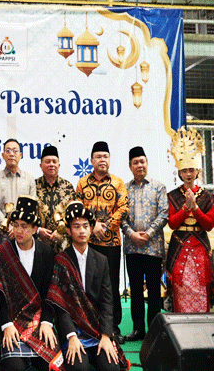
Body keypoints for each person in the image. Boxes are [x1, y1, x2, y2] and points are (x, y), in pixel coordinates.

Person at [47, 201, 119, 371]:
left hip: (96, 329)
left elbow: (107, 301)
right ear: (69, 230)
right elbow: (61, 305)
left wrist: (106, 335)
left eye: (85, 226)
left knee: (111, 367)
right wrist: (71, 336)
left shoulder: (101, 260)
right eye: (76, 226)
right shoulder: (60, 260)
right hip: (72, 330)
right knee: (79, 368)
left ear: (91, 229)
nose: (82, 231)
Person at [0, 195, 60, 371]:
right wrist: (6, 325)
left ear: (35, 228)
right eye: (15, 225)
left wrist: (47, 322)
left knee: (51, 366)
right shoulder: (2, 252)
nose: (19, 231)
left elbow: (51, 293)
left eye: (24, 226)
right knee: (14, 367)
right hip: (12, 323)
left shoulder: (47, 252)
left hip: (39, 322)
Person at [76, 141, 128, 340]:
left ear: (109, 159)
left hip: (111, 243)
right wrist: (92, 226)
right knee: (88, 284)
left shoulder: (118, 182)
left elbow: (123, 208)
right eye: (98, 157)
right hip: (87, 244)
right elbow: (78, 208)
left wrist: (104, 227)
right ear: (92, 160)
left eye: (105, 156)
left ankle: (113, 327)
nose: (102, 160)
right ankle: (90, 324)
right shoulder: (82, 183)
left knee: (111, 286)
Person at [166, 127, 214, 313]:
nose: (188, 174)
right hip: (180, 246)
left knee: (201, 288)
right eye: (184, 171)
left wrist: (195, 208)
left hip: (200, 247)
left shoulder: (207, 197)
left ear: (197, 171)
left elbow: (209, 225)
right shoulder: (172, 196)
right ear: (179, 173)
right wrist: (185, 208)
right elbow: (172, 223)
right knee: (180, 288)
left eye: (191, 170)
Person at [121, 147, 168, 341]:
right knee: (136, 290)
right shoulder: (124, 189)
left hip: (153, 247)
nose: (139, 165)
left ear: (147, 163)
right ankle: (138, 329)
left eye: (142, 161)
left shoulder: (158, 187)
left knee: (155, 291)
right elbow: (120, 217)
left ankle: (154, 331)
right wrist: (131, 234)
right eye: (136, 162)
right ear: (130, 166)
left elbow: (164, 214)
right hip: (132, 247)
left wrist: (148, 234)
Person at [0, 139, 36, 247]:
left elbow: (33, 207)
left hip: (24, 231)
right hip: (3, 231)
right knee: (2, 258)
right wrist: (9, 226)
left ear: (20, 155)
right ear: (3, 155)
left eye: (15, 151)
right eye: (8, 151)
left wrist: (19, 227)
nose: (11, 154)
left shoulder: (29, 178)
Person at [35, 145, 76, 252]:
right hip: (39, 243)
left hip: (64, 244)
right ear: (41, 165)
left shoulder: (68, 186)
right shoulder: (33, 186)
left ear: (59, 165)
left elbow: (73, 214)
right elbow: (28, 214)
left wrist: (61, 231)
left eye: (54, 161)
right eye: (47, 161)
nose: (51, 164)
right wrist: (38, 230)